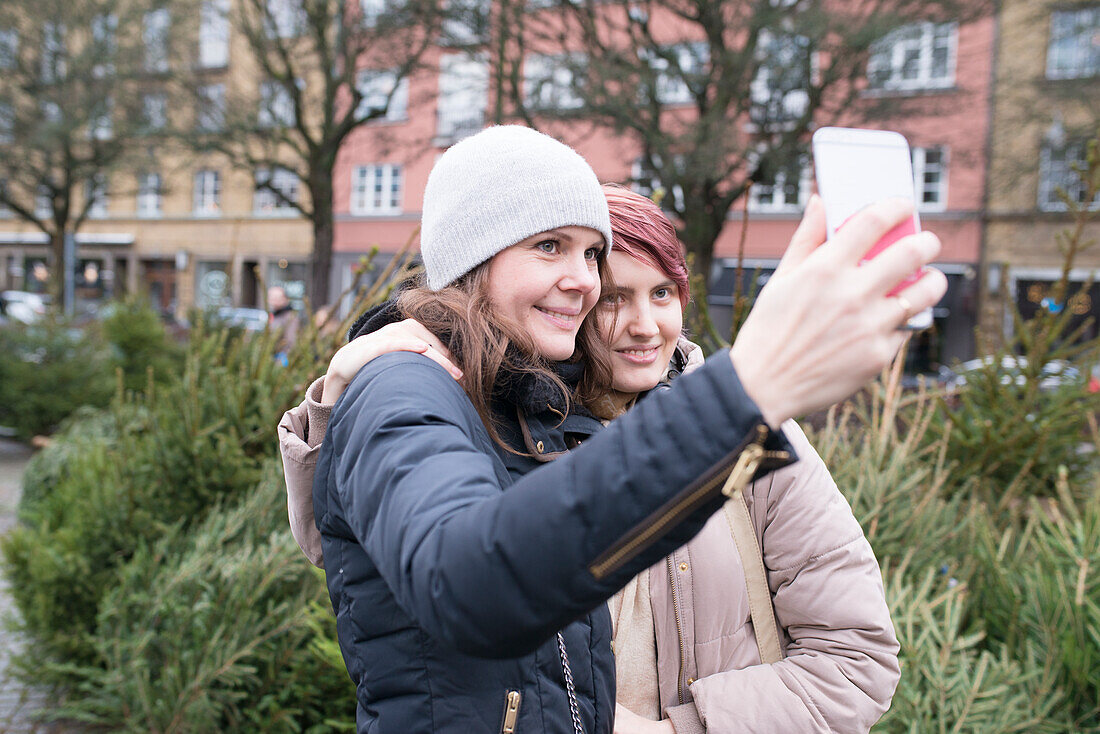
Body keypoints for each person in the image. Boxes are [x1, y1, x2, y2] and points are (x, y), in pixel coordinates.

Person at [283, 125, 944, 733]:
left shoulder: (537, 405)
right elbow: (457, 571)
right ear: (474, 256)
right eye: (550, 247)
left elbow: (855, 653)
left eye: (592, 256)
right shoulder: (450, 392)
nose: (583, 283)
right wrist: (746, 391)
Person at [268, 285, 300, 358]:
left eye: (278, 298)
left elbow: (291, 342)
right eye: (272, 297)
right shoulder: (274, 315)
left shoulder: (290, 317)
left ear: (286, 299)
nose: (274, 300)